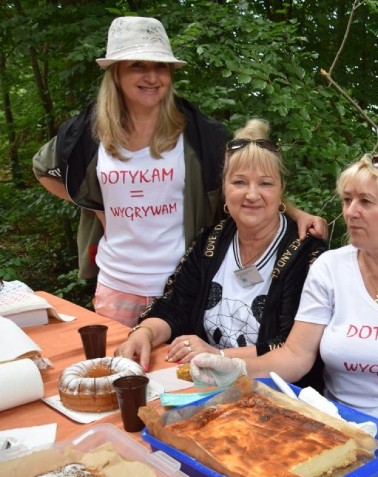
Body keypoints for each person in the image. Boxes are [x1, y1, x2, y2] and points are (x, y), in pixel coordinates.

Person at [32, 16, 325, 328]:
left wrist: (293, 213)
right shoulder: (88, 131)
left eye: (160, 67)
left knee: (180, 375)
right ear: (115, 72)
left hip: (184, 285)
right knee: (119, 372)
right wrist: (94, 205)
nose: (152, 76)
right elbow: (43, 169)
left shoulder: (200, 134)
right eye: (137, 66)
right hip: (116, 286)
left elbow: (246, 179)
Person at [189, 145, 378, 431]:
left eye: (366, 202)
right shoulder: (329, 268)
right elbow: (295, 356)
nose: (351, 212)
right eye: (347, 200)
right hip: (335, 430)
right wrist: (231, 367)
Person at [115, 119, 326, 391]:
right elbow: (175, 305)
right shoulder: (210, 241)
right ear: (224, 189)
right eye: (239, 182)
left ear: (281, 190)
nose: (252, 194)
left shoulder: (307, 255)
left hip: (275, 395)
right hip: (204, 385)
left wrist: (219, 357)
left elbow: (289, 347)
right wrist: (145, 332)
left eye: (265, 183)